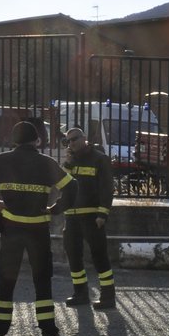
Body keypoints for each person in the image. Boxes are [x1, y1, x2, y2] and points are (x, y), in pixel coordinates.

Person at [0, 121, 74, 336]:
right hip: (38, 232)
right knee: (42, 282)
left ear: (14, 141)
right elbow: (72, 187)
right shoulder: (46, 163)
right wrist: (55, 209)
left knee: (6, 282)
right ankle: (49, 335)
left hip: (11, 230)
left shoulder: (3, 160)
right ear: (37, 141)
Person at [59, 126, 117, 310]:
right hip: (72, 217)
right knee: (74, 256)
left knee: (99, 256)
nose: (71, 143)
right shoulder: (70, 161)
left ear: (84, 138)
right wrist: (67, 164)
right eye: (68, 141)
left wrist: (103, 214)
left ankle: (108, 297)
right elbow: (63, 187)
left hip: (92, 216)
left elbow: (107, 188)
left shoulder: (99, 158)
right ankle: (80, 294)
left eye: (74, 139)